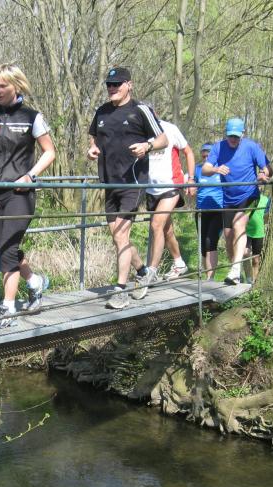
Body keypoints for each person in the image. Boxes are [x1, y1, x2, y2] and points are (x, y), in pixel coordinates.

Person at [0, 64, 55, 329]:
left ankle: (7, 311)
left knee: (7, 248)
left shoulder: (31, 117)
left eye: (3, 85)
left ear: (16, 86)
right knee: (5, 248)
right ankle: (35, 283)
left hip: (21, 192)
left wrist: (30, 176)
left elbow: (50, 152)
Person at [87, 67, 167, 309]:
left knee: (121, 236)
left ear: (129, 85)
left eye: (117, 84)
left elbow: (163, 139)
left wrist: (147, 146)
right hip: (109, 182)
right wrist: (92, 148)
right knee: (117, 237)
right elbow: (94, 136)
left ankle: (120, 291)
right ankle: (142, 271)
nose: (112, 88)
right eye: (109, 84)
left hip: (133, 182)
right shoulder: (102, 111)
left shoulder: (140, 110)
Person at [202, 118, 269, 285]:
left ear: (242, 134)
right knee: (228, 235)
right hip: (229, 198)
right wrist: (216, 169)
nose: (233, 139)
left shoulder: (251, 147)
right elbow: (205, 169)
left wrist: (263, 174)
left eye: (236, 136)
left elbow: (267, 168)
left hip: (249, 194)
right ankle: (236, 272)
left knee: (239, 224)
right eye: (230, 136)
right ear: (226, 134)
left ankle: (235, 270)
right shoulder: (218, 147)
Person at [139, 117, 195, 295]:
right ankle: (179, 263)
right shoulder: (140, 129)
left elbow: (188, 152)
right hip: (151, 188)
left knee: (156, 224)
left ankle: (151, 271)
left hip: (171, 185)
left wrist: (191, 179)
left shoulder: (170, 128)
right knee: (166, 230)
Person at [194, 143, 224, 280]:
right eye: (204, 156)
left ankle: (211, 278)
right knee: (202, 244)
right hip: (201, 210)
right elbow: (191, 184)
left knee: (210, 241)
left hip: (218, 210)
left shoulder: (221, 169)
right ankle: (206, 275)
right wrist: (190, 188)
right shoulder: (198, 169)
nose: (206, 159)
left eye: (208, 156)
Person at [243, 193, 270, 284]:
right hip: (246, 231)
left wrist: (263, 223)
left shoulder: (266, 200)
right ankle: (248, 279)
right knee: (245, 254)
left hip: (259, 233)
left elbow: (267, 216)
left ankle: (255, 280)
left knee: (256, 260)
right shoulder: (247, 197)